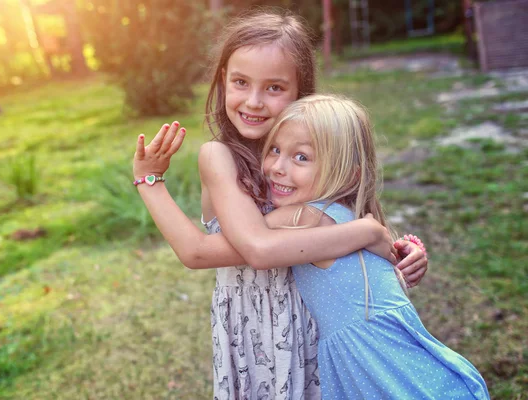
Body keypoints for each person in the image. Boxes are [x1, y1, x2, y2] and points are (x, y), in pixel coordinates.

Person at [132, 10, 428, 400]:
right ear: (222, 80)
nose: (254, 101)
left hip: (317, 325)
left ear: (300, 92)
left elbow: (340, 227)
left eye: (274, 87)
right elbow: (236, 249)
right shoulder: (219, 156)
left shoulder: (313, 154)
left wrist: (401, 256)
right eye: (240, 82)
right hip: (259, 334)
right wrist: (148, 181)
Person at [259, 93, 490, 399]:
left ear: (349, 174)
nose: (277, 166)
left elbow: (224, 243)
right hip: (398, 365)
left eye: (301, 157)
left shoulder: (304, 216)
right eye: (274, 149)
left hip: (381, 365)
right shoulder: (353, 218)